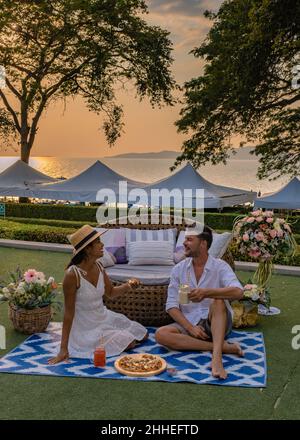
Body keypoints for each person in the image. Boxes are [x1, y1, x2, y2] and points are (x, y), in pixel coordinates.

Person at [48, 225, 148, 364]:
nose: (102, 245)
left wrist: (129, 286)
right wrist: (63, 349)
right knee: (129, 341)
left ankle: (111, 338)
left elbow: (111, 293)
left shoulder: (99, 266)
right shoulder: (72, 275)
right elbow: (68, 313)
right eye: (98, 242)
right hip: (85, 327)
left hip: (103, 317)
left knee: (141, 333)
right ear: (88, 249)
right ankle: (96, 343)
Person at [155, 225, 244, 380]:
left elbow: (238, 291)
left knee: (218, 301)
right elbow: (171, 305)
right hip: (190, 323)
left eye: (189, 239)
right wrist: (190, 327)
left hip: (217, 321)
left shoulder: (220, 266)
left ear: (203, 244)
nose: (184, 243)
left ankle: (217, 359)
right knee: (161, 334)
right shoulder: (178, 269)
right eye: (185, 239)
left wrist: (206, 292)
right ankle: (223, 348)